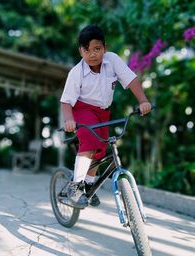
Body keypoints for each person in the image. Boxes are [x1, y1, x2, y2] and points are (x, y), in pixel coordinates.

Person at [60, 25, 151, 209]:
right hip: (83, 109)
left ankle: (89, 184)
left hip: (103, 111)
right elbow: (66, 101)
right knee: (90, 143)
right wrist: (69, 120)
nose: (92, 54)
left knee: (100, 149)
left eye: (97, 49)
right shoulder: (76, 73)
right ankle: (76, 186)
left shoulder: (113, 60)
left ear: (105, 48)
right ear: (80, 51)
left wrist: (143, 100)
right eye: (87, 50)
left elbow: (131, 80)